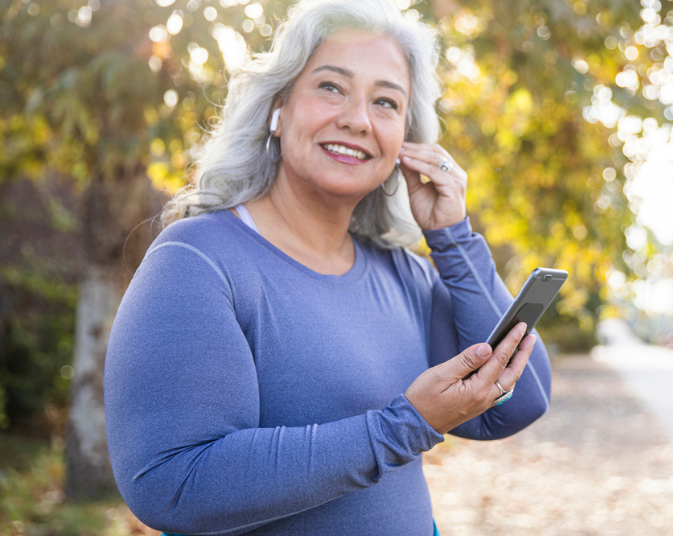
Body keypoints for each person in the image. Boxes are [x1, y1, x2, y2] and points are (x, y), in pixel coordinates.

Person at [103, 1, 552, 534]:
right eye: (331, 87)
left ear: (406, 142)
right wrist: (405, 427)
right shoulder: (198, 260)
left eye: (385, 102)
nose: (357, 119)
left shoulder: (403, 275)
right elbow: (171, 484)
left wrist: (452, 237)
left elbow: (516, 403)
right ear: (279, 107)